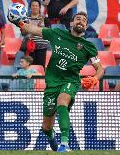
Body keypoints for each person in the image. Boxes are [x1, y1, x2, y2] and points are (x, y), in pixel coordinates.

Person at [11, 11, 104, 152]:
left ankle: (64, 144)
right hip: (52, 83)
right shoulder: (57, 34)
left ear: (86, 26)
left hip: (70, 81)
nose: (81, 21)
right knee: (46, 127)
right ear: (72, 23)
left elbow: (100, 69)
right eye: (78, 18)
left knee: (62, 101)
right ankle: (51, 136)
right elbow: (33, 29)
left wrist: (95, 78)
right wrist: (20, 22)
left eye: (84, 20)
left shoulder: (88, 46)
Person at [21, 0, 50, 68]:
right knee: (29, 67)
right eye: (33, 5)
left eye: (36, 5)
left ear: (39, 7)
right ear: (30, 7)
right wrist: (28, 28)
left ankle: (40, 79)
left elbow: (48, 31)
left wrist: (38, 29)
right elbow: (23, 33)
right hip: (29, 47)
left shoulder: (45, 19)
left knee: (40, 67)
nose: (35, 7)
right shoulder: (25, 19)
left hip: (42, 47)